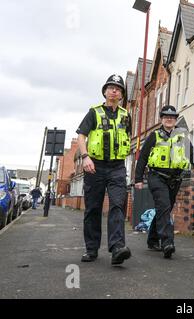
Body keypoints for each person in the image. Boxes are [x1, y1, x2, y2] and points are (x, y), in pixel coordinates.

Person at [134, 105, 194, 259]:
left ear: (175, 119)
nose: (169, 119)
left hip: (175, 179)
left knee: (163, 210)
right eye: (166, 117)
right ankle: (167, 243)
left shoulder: (181, 136)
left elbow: (191, 151)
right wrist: (138, 179)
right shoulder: (155, 135)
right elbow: (143, 157)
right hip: (156, 176)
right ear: (162, 119)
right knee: (164, 207)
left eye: (172, 117)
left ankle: (152, 240)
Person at [76, 74, 132, 265]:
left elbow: (127, 139)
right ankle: (91, 249)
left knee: (117, 205)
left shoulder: (126, 115)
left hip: (117, 167)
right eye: (110, 87)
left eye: (117, 88)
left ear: (122, 94)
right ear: (105, 92)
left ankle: (117, 248)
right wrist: (85, 157)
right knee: (93, 208)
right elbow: (82, 136)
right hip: (95, 166)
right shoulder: (94, 112)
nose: (114, 90)